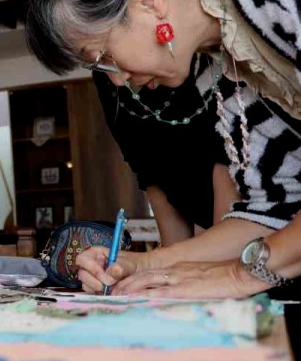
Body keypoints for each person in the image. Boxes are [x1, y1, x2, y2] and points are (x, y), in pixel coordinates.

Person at [24, 0, 301, 361]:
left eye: (101, 56)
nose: (117, 81)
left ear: (147, 1)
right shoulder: (229, 76)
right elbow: (272, 208)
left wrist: (237, 277)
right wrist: (144, 264)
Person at [93, 54, 241, 246]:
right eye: (94, 60)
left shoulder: (207, 71)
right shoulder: (114, 93)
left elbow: (228, 243)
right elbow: (149, 173)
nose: (119, 79)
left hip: (256, 227)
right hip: (218, 234)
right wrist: (163, 268)